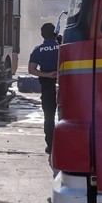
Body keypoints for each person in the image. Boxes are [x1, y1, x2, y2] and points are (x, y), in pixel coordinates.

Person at [28, 22, 60, 154]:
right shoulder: (62, 47)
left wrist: (47, 75)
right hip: (66, 83)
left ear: (42, 35)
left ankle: (50, 145)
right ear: (54, 33)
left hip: (47, 85)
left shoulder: (38, 50)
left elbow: (31, 69)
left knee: (49, 116)